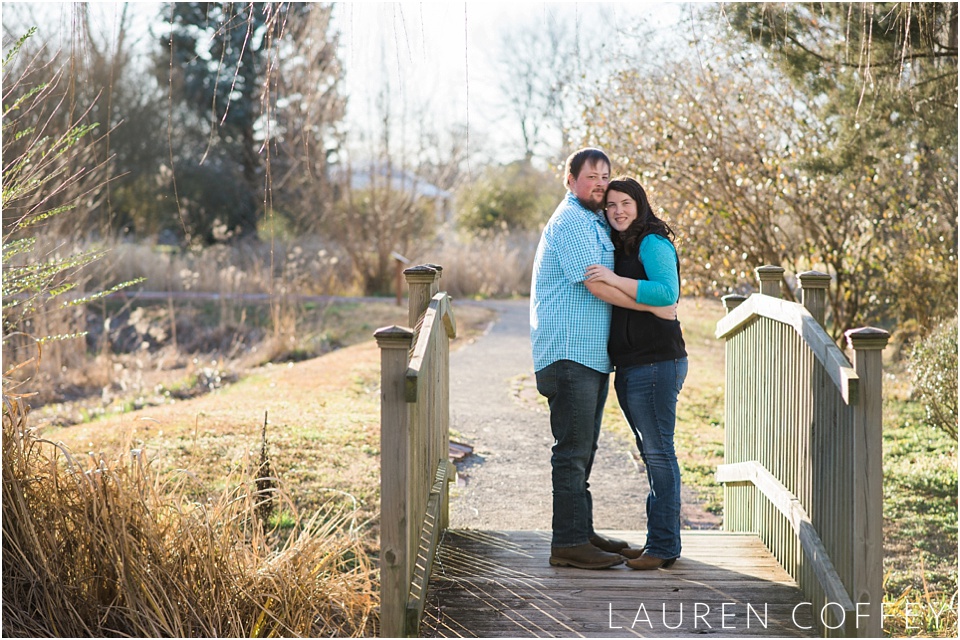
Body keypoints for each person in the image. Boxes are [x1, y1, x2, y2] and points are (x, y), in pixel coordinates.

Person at [530, 150, 677, 570]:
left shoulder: (595, 218)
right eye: (591, 176)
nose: (599, 183)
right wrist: (655, 308)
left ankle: (581, 530)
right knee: (572, 450)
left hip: (589, 356)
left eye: (605, 176)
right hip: (568, 353)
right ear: (570, 179)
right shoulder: (572, 222)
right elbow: (596, 286)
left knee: (584, 448)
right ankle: (569, 542)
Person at [584, 176, 688, 570]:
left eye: (625, 202)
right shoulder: (622, 245)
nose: (618, 211)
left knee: (659, 454)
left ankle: (663, 548)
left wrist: (612, 279)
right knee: (652, 453)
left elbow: (666, 294)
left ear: (640, 204)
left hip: (657, 364)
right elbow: (652, 302)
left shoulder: (652, 241)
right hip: (631, 366)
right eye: (610, 205)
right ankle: (656, 542)